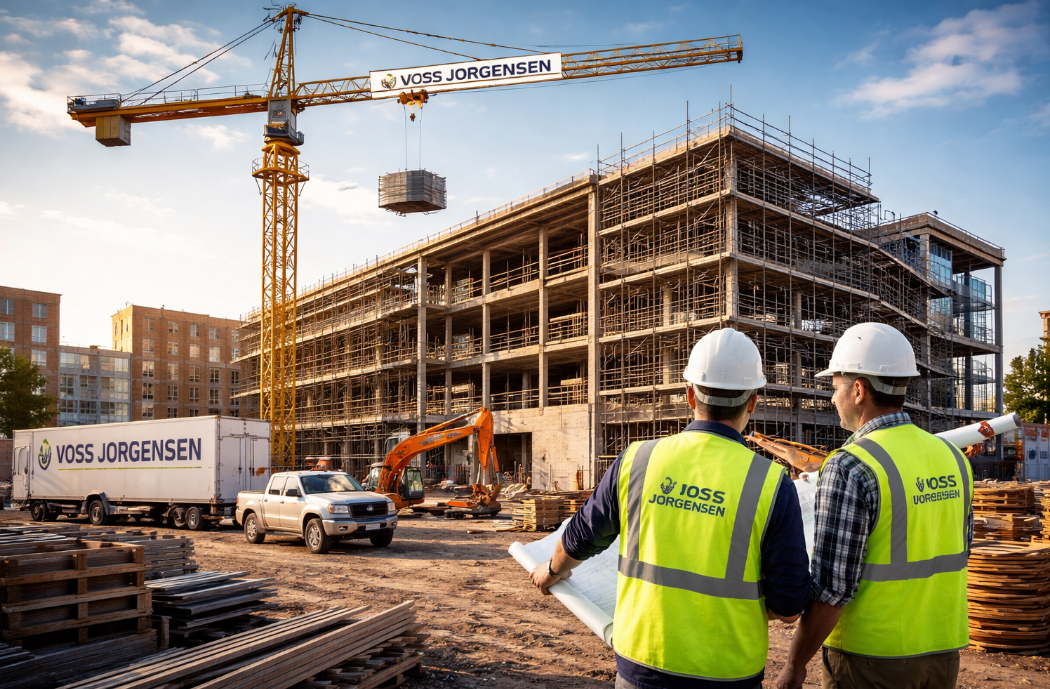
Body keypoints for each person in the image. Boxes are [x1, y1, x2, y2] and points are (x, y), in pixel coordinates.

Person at [530, 328, 811, 689]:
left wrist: (552, 570)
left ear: (690, 394)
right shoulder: (771, 484)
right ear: (753, 402)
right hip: (728, 673)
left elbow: (582, 536)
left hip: (642, 666)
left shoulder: (638, 460)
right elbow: (789, 607)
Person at [776, 323, 973, 689]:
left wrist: (795, 663)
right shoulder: (952, 458)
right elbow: (960, 551)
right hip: (943, 655)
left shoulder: (851, 465)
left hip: (871, 660)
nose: (832, 399)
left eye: (834, 388)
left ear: (858, 389)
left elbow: (833, 588)